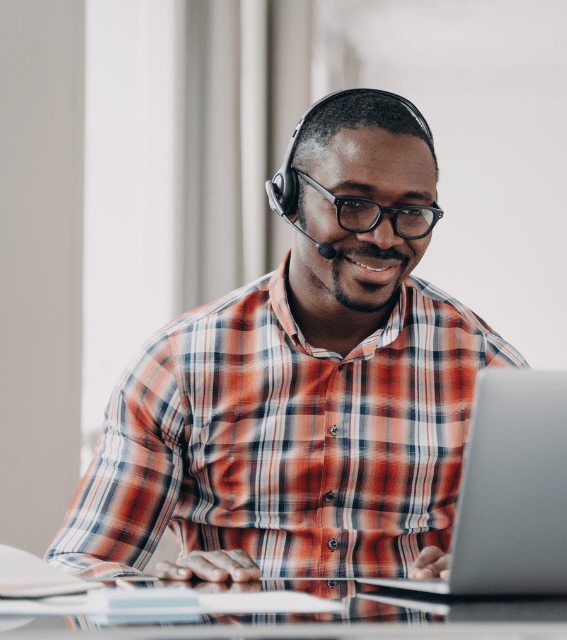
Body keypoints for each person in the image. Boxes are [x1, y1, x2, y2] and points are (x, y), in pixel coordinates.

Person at [46, 89, 527, 585]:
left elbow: (544, 570)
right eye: (354, 205)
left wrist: (496, 580)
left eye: (412, 212)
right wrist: (165, 588)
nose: (384, 238)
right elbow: (76, 572)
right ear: (290, 199)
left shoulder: (488, 370)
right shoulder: (180, 365)